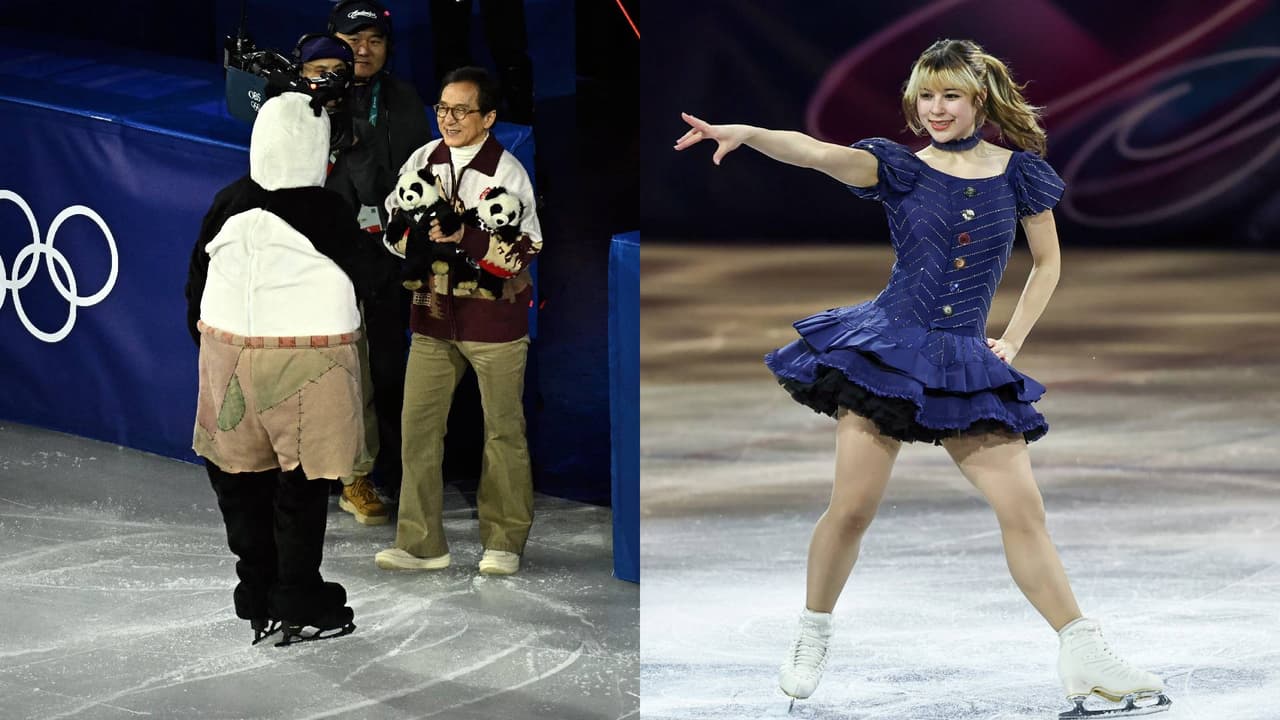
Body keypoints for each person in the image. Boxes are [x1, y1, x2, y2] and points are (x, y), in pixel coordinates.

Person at [674, 39, 1171, 718]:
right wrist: (751, 134)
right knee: (852, 509)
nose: (936, 109)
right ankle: (812, 631)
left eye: (951, 95)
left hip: (966, 360)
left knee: (1024, 513)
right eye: (927, 95)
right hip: (889, 353)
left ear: (979, 100)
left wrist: (1012, 343)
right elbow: (814, 151)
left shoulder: (1021, 174)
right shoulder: (897, 167)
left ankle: (1083, 652)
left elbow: (1047, 264)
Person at [183, 91, 390, 646]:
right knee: (299, 489)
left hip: (225, 354)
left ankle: (256, 590)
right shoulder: (326, 211)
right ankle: (297, 593)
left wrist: (208, 344)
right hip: (308, 359)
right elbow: (375, 276)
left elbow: (195, 279)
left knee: (240, 479)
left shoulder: (228, 200)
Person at [373, 66, 542, 577]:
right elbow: (390, 226)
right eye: (443, 108)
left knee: (503, 433)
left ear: (488, 118)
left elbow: (524, 249)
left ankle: (505, 542)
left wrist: (463, 237)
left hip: (493, 324)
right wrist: (416, 241)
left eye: (461, 110)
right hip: (431, 319)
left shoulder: (507, 171)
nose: (449, 118)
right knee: (417, 432)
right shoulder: (423, 159)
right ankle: (421, 543)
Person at [324, 0, 435, 523]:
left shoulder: (405, 101)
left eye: (374, 40)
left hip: (385, 256)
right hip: (324, 258)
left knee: (387, 366)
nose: (363, 50)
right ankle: (348, 473)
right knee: (338, 367)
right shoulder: (308, 102)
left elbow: (413, 184)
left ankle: (376, 469)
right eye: (351, 40)